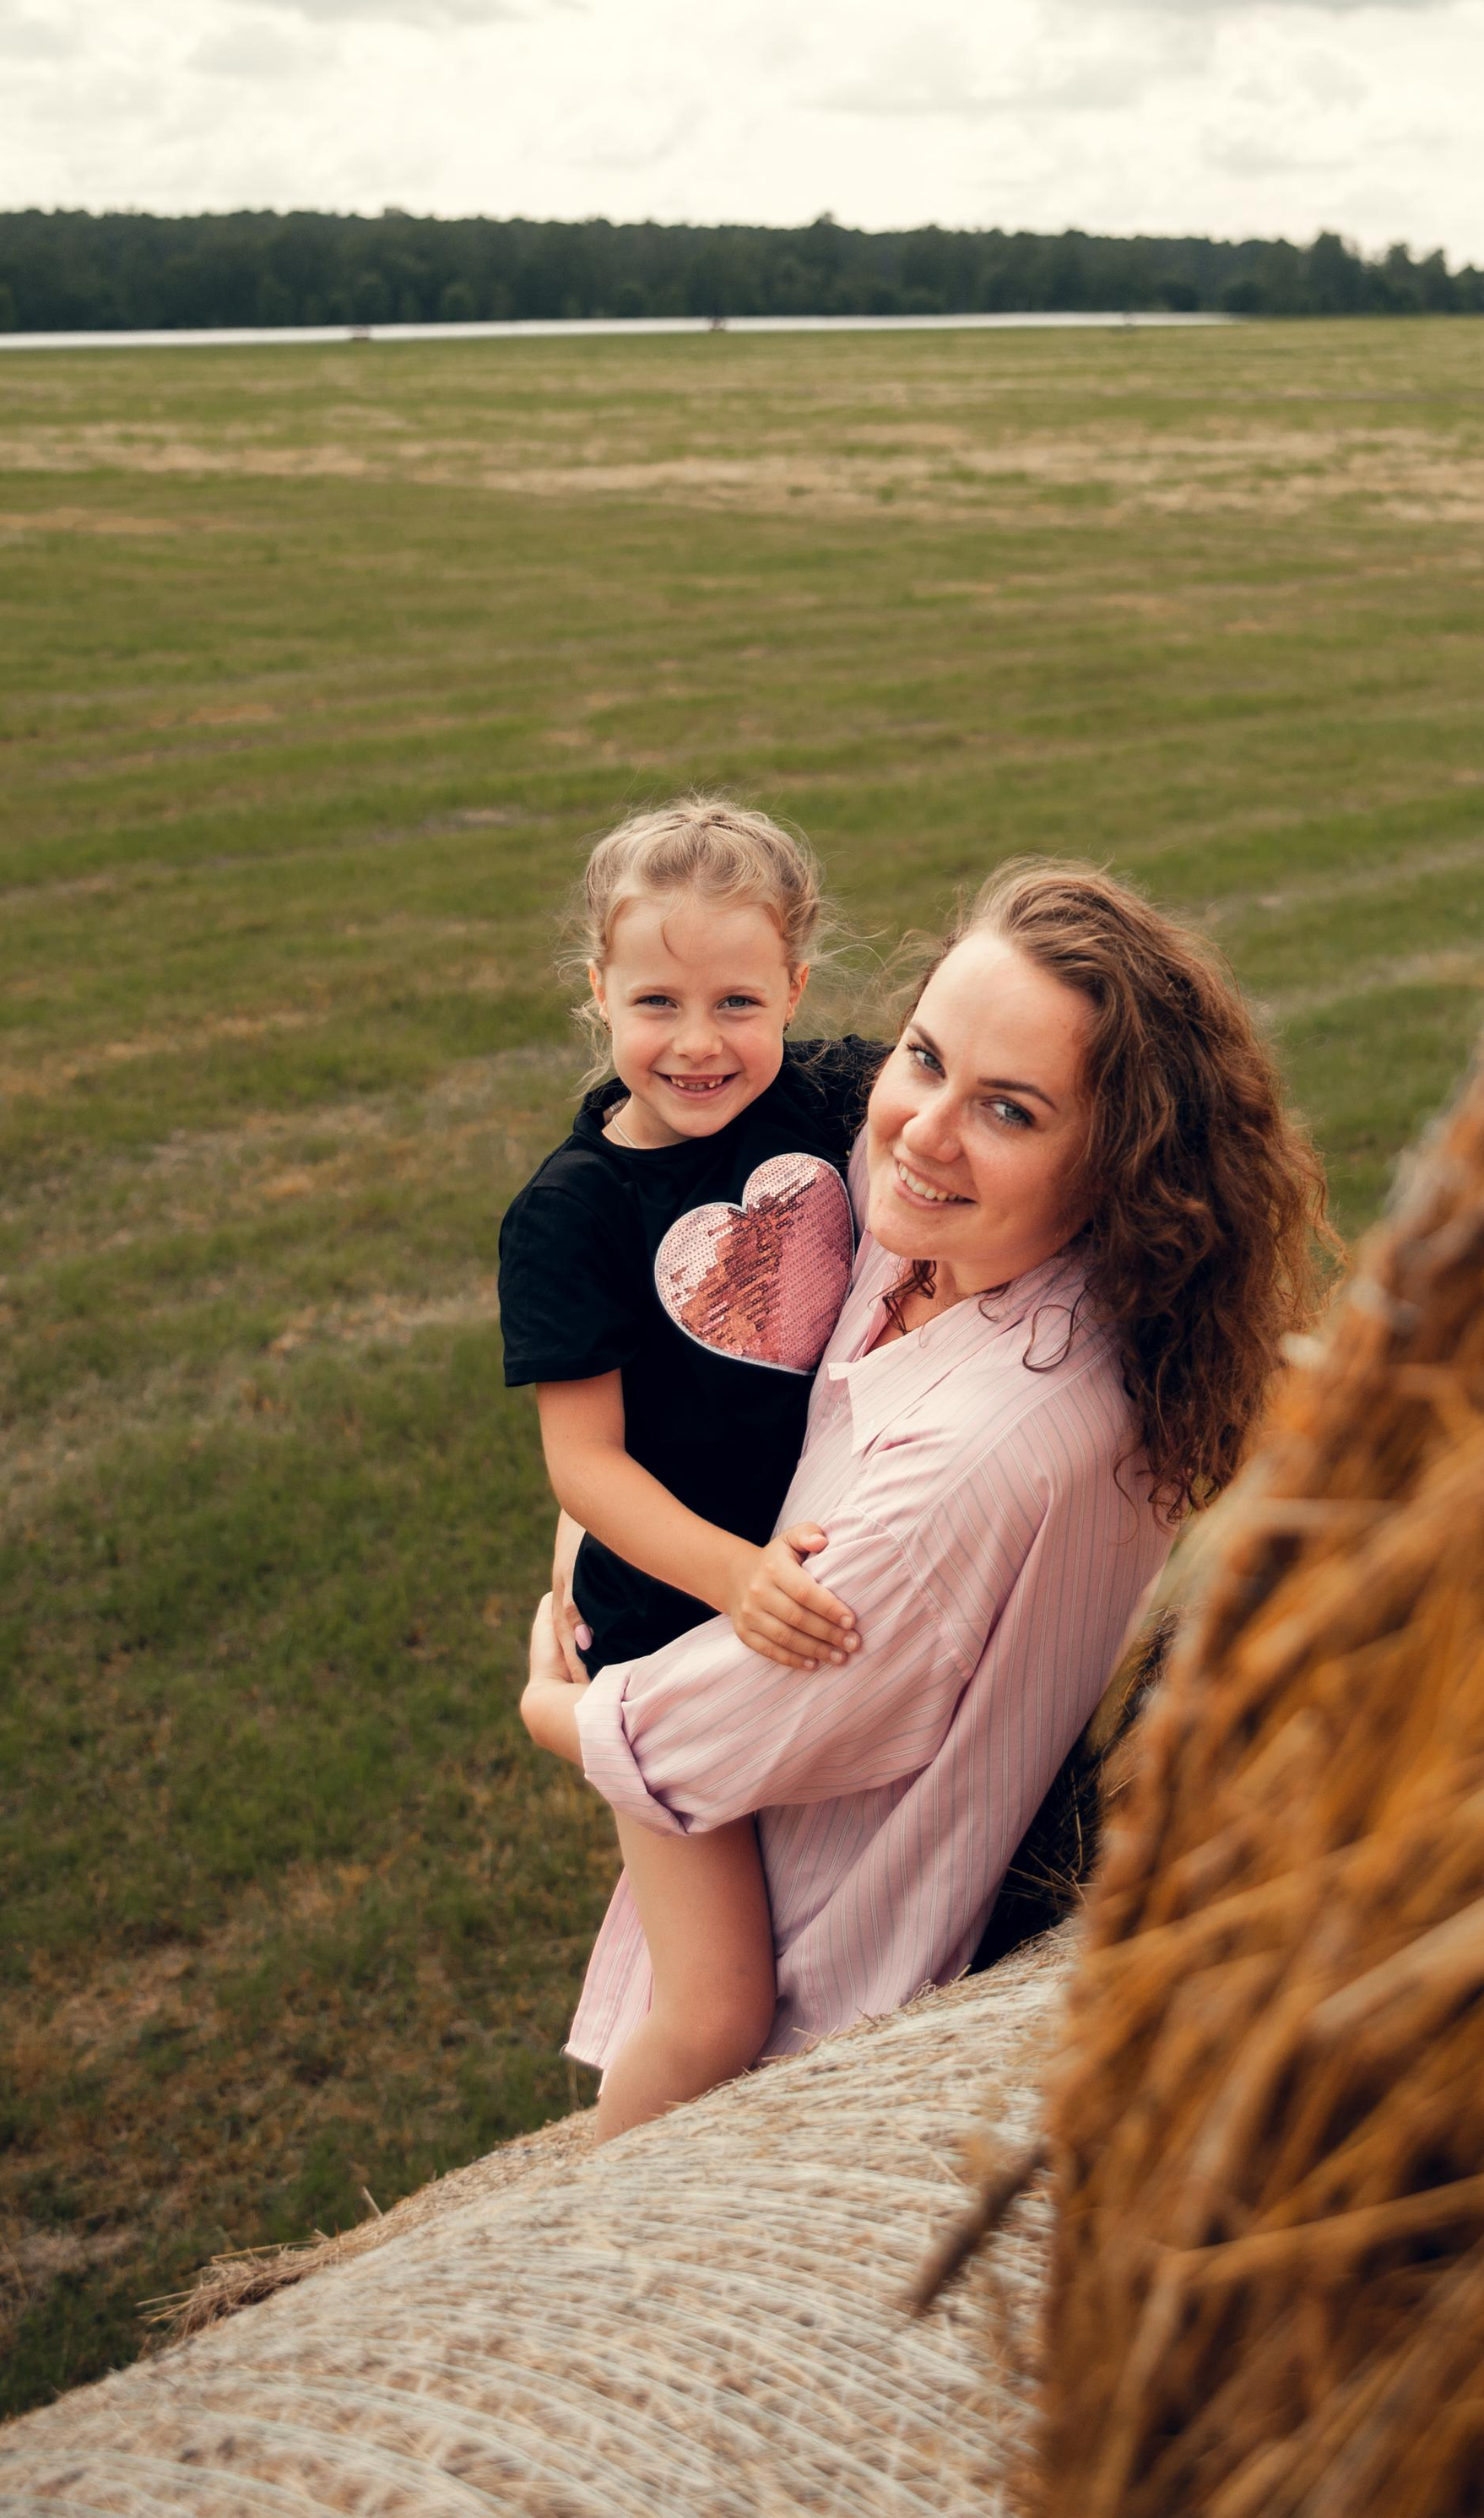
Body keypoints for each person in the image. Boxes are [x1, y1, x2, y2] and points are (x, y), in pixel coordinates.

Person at [521, 858, 1328, 2138]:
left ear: (1118, 1164)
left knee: (647, 2140)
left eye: (1010, 1110)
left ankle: (587, 2233)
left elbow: (708, 1735)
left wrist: (549, 1699)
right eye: (924, 1058)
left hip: (809, 2021)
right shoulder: (922, 1225)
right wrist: (590, 1515)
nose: (921, 1133)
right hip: (749, 1856)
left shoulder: (975, 1458)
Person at [498, 798, 880, 2129]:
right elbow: (586, 1467)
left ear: (797, 989)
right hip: (672, 1624)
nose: (700, 1043)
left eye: (738, 1002)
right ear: (597, 992)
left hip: (821, 1568)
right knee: (720, 2008)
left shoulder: (834, 1098)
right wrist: (735, 1578)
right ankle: (592, 2223)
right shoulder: (570, 1215)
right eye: (657, 1001)